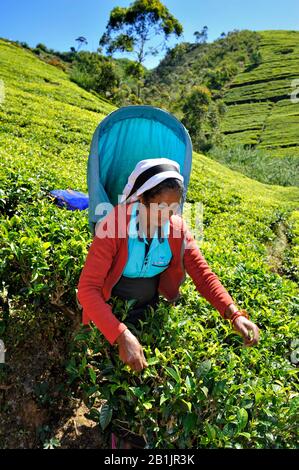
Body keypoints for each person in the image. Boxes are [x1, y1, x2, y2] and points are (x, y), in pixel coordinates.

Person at [77, 158, 260, 374]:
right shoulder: (114, 226)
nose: (168, 216)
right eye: (160, 208)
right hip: (110, 310)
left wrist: (234, 314)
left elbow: (203, 274)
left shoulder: (176, 229)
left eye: (174, 208)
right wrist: (120, 334)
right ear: (142, 199)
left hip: (149, 309)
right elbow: (88, 289)